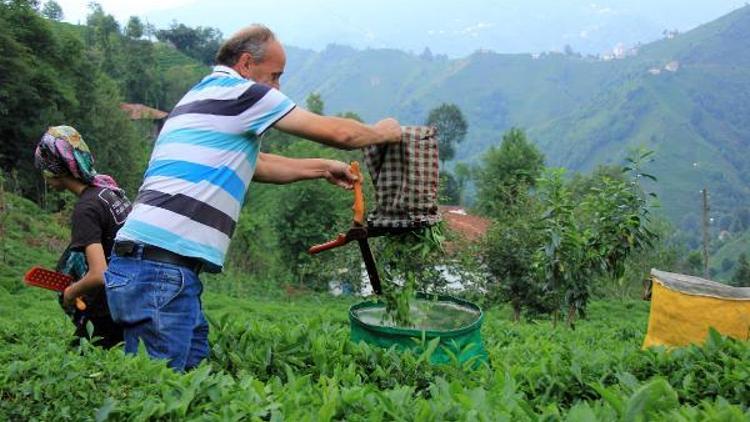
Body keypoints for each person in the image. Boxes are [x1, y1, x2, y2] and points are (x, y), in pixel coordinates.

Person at [104, 24, 402, 371]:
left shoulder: (198, 97)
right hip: (160, 270)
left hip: (152, 267)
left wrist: (321, 168)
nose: (277, 88)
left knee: (186, 385)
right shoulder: (242, 93)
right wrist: (386, 132)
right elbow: (342, 133)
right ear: (246, 64)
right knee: (158, 393)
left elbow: (255, 164)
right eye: (275, 76)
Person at [34, 126, 132, 349]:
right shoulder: (109, 193)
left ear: (55, 170)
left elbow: (99, 274)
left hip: (108, 309)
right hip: (131, 297)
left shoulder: (86, 208)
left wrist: (70, 292)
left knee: (82, 363)